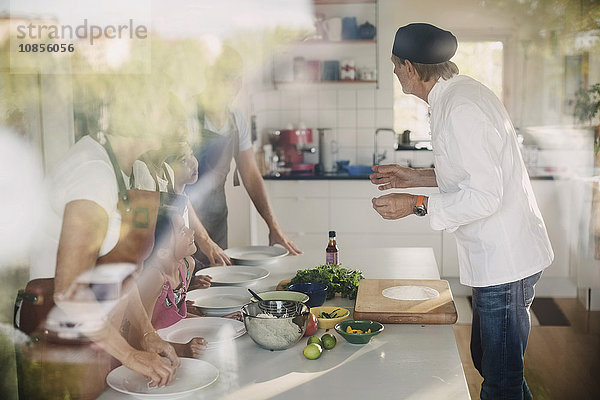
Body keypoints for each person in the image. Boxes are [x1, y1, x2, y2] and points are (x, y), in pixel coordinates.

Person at [369, 23, 554, 400]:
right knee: (495, 367)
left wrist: (415, 204)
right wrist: (414, 175)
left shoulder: (461, 107)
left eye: (394, 65)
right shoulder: (456, 97)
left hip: (506, 263)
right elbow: (467, 173)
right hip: (499, 260)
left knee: (500, 380)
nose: (393, 73)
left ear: (409, 67)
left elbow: (485, 195)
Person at [187, 45, 301, 265]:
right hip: (185, 224)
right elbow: (175, 187)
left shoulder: (236, 120)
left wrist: (273, 227)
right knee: (184, 291)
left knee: (217, 290)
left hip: (218, 221)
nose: (229, 85)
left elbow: (251, 175)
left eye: (233, 78)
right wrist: (203, 240)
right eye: (222, 77)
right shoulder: (189, 116)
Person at [137, 208, 208, 358]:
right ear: (162, 252)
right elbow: (139, 338)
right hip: (145, 356)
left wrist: (217, 321)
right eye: (182, 231)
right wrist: (181, 350)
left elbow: (175, 317)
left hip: (169, 342)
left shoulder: (188, 265)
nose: (191, 232)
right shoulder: (154, 278)